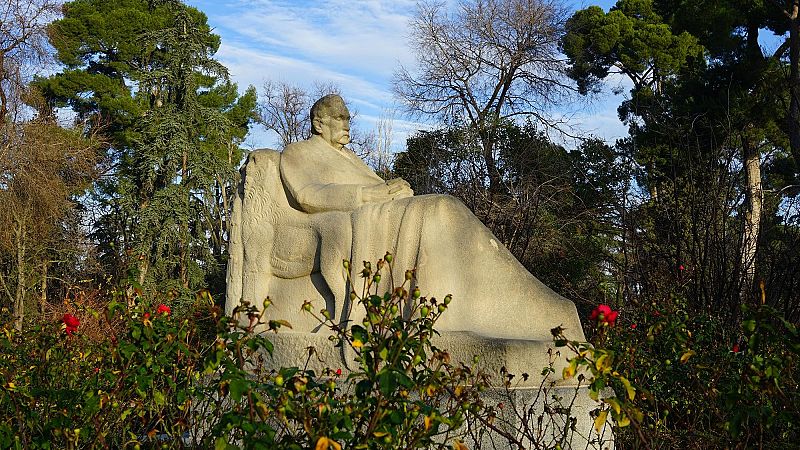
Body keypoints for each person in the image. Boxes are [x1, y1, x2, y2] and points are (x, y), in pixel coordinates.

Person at [279, 94, 585, 341]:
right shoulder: (298, 152)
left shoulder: (352, 158)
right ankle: (442, 317)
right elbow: (307, 195)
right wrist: (366, 195)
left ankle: (507, 306)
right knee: (439, 208)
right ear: (319, 123)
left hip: (381, 213)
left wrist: (394, 190)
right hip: (347, 221)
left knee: (443, 208)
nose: (346, 123)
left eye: (348, 118)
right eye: (339, 118)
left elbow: (378, 187)